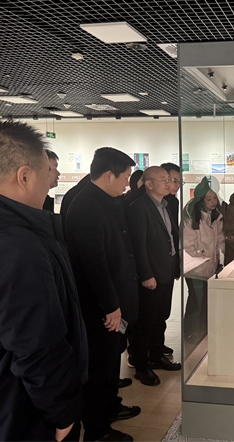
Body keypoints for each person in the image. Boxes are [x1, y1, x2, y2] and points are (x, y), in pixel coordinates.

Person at [0, 121, 87, 441]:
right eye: (45, 175)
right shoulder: (14, 244)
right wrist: (64, 415)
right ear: (24, 177)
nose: (49, 186)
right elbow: (38, 345)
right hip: (15, 414)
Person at [65, 147, 140, 442]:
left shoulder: (106, 200)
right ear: (108, 175)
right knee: (99, 369)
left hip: (113, 302)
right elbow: (94, 263)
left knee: (110, 365)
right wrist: (111, 306)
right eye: (125, 177)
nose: (127, 184)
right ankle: (97, 431)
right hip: (98, 307)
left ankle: (108, 410)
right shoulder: (86, 206)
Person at [127, 167, 182, 387]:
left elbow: (171, 237)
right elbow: (138, 246)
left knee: (161, 316)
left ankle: (157, 355)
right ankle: (141, 365)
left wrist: (175, 266)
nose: (168, 183)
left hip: (166, 270)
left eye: (169, 179)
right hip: (151, 275)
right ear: (149, 184)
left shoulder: (167, 205)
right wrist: (146, 274)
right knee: (145, 322)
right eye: (163, 179)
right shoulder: (139, 208)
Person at [183, 177, 225, 345]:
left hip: (211, 266)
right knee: (196, 299)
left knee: (206, 299)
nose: (213, 202)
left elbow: (220, 240)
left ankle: (203, 329)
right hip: (195, 268)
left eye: (214, 198)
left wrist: (220, 257)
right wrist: (200, 257)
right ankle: (190, 331)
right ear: (201, 199)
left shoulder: (216, 216)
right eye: (209, 199)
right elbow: (187, 245)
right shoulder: (191, 217)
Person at [159, 162, 183, 357]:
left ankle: (158, 346)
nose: (176, 185)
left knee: (164, 310)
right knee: (153, 312)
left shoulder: (172, 202)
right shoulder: (147, 203)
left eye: (178, 181)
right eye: (172, 180)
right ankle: (146, 353)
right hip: (155, 265)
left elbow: (173, 235)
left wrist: (176, 265)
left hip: (169, 261)